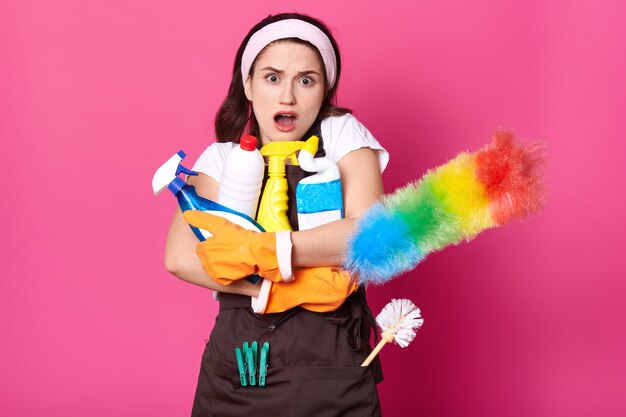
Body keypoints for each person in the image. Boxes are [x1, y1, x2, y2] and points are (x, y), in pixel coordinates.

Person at [164, 12, 389, 417]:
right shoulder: (222, 159)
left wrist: (267, 252)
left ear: (324, 92)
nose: (288, 96)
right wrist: (273, 290)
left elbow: (369, 233)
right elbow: (180, 258)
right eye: (272, 77)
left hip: (334, 368)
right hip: (239, 371)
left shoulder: (340, 135)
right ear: (248, 84)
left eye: (306, 80)